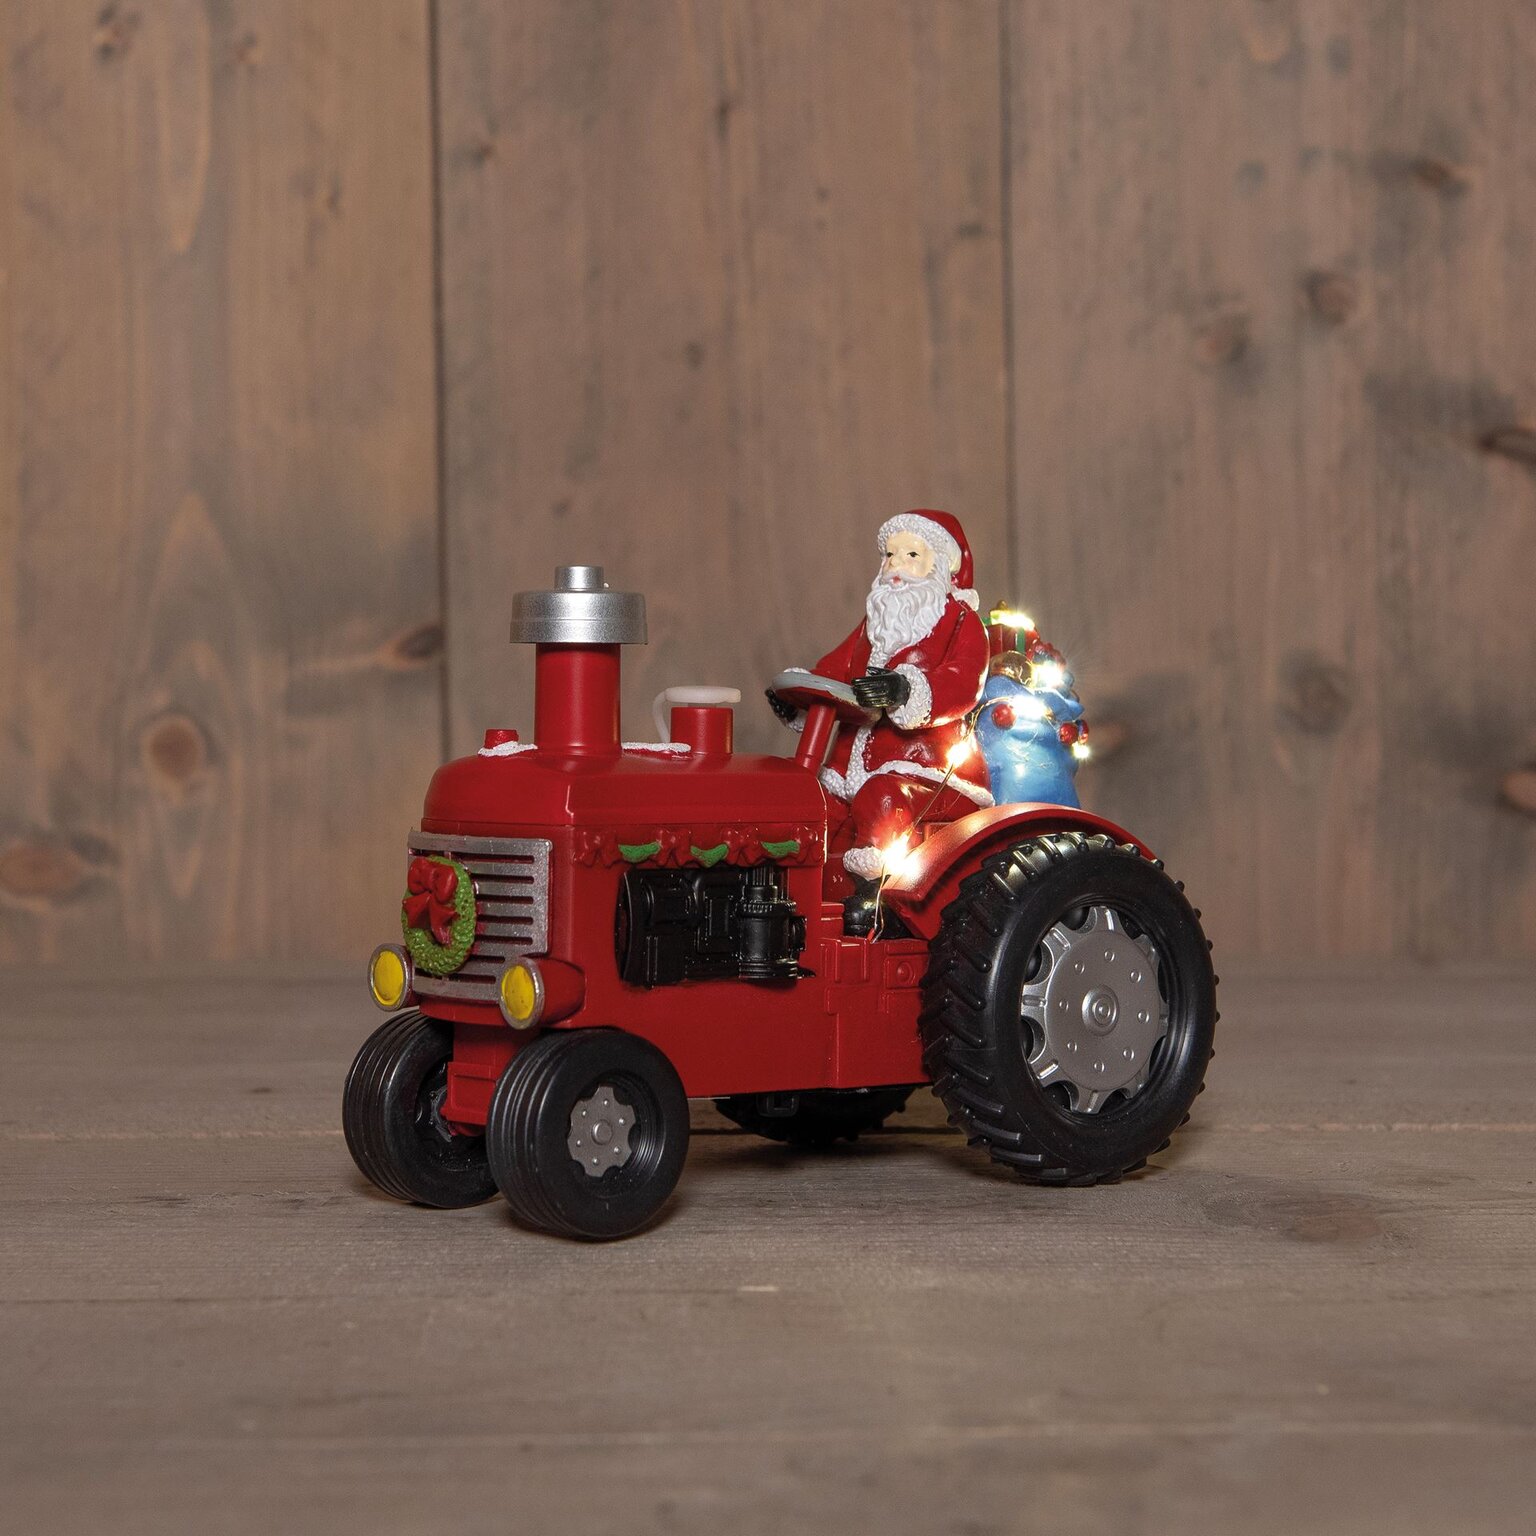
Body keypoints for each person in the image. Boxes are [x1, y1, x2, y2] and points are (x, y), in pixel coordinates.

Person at [771, 510, 992, 881]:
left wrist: (906, 690)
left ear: (942, 564)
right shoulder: (874, 625)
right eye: (890, 554)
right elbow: (834, 669)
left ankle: (871, 888)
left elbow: (963, 681)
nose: (895, 565)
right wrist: (797, 700)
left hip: (928, 771)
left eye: (911, 555)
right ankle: (808, 891)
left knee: (883, 799)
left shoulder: (959, 621)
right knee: (814, 809)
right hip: (847, 771)